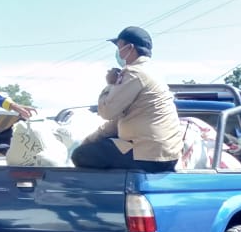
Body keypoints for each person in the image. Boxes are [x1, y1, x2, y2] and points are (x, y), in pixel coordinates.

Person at [71, 26, 183, 171]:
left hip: (146, 156)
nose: (118, 52)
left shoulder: (134, 72)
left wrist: (110, 85)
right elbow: (116, 123)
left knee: (81, 155)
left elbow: (107, 112)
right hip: (166, 156)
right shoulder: (153, 72)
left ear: (130, 48)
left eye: (119, 47)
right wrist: (91, 139)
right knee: (100, 146)